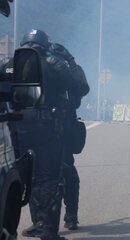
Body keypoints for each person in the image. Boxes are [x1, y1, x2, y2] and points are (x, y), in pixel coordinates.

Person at [15, 29, 74, 240]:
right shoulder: (54, 64)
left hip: (16, 131)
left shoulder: (8, 63)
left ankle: (17, 225)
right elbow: (76, 86)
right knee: (47, 179)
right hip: (47, 128)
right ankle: (47, 230)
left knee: (20, 178)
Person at [50, 42, 89, 230]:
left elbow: (82, 88)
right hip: (49, 132)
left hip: (54, 132)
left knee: (66, 174)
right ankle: (65, 218)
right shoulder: (62, 70)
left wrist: (71, 62)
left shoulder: (59, 71)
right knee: (65, 175)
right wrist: (71, 61)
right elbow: (82, 88)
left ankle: (67, 218)